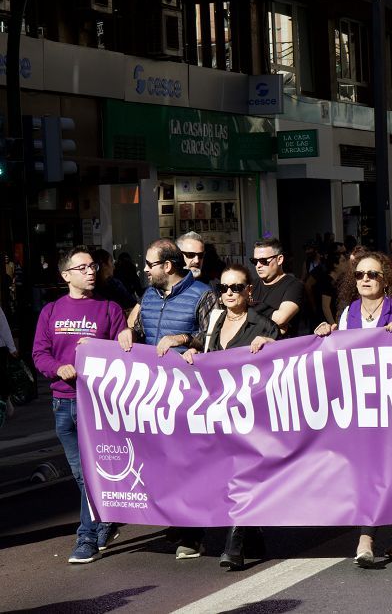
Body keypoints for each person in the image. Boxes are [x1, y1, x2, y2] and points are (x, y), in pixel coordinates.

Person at [313, 251, 392, 566]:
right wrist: (327, 334)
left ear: (385, 277)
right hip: (362, 404)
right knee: (367, 470)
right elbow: (341, 356)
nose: (365, 280)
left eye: (372, 274)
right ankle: (367, 537)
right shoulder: (347, 314)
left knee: (390, 471)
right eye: (359, 275)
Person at [116, 238, 217, 559]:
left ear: (167, 266)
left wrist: (184, 338)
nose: (144, 270)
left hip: (191, 394)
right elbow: (144, 333)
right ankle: (178, 519)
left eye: (150, 264)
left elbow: (213, 338)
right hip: (157, 393)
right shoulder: (147, 296)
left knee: (189, 463)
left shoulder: (203, 295)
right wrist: (130, 333)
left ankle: (193, 533)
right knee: (163, 462)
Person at [32, 246, 127, 564]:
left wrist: (108, 344)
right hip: (62, 404)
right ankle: (104, 520)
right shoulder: (51, 311)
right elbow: (39, 354)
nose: (91, 271)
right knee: (79, 473)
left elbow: (123, 355)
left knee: (89, 473)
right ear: (65, 275)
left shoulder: (110, 309)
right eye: (83, 267)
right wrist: (58, 368)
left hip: (96, 404)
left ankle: (86, 537)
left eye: (94, 266)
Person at [181, 264, 278, 570]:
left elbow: (281, 364)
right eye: (224, 288)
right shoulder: (213, 322)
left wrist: (271, 347)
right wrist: (189, 352)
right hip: (214, 415)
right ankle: (252, 534)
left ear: (249, 291)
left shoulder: (262, 325)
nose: (229, 293)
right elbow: (200, 348)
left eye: (236, 288)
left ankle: (233, 543)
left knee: (241, 476)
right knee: (217, 477)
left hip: (249, 418)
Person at [250, 238, 304, 336]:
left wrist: (249, 308)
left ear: (279, 259)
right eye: (254, 261)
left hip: (282, 348)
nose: (258, 265)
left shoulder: (294, 285)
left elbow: (280, 319)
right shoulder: (252, 285)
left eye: (263, 261)